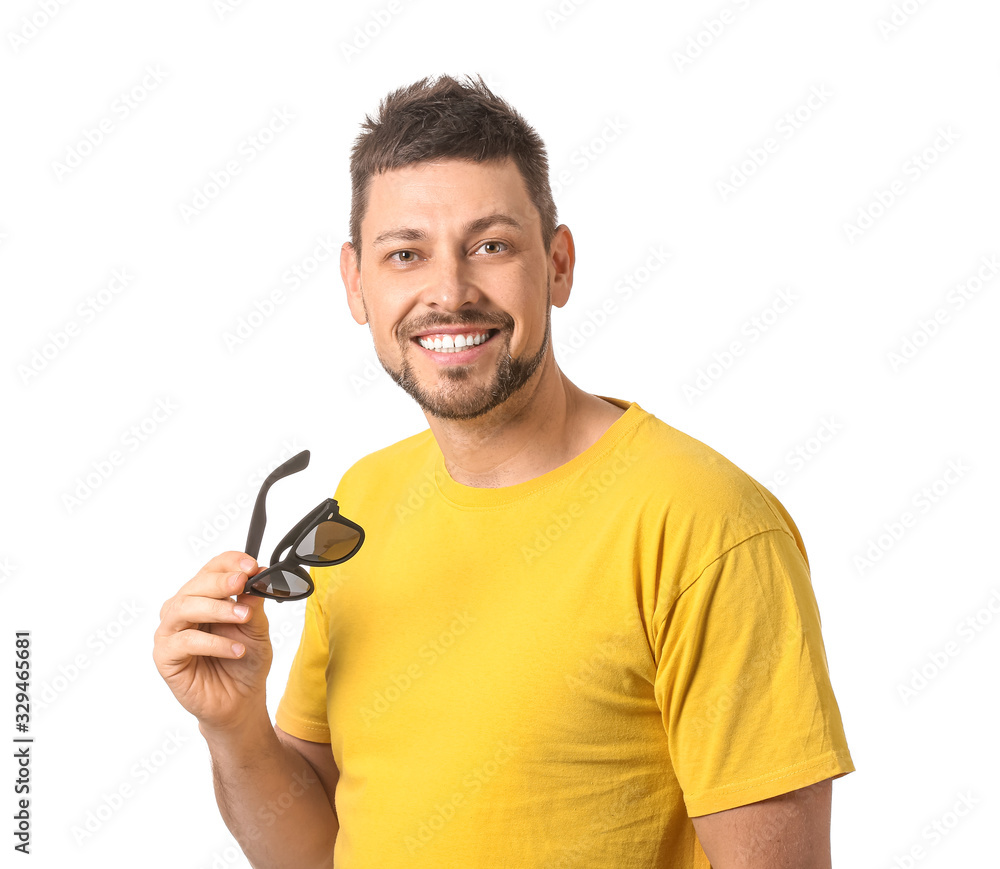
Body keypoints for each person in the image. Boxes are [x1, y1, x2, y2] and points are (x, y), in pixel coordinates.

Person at [154, 74, 854, 868]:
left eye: (491, 245)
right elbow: (313, 852)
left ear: (557, 264)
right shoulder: (362, 506)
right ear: (357, 283)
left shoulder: (706, 526)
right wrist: (234, 726)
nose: (448, 293)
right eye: (405, 254)